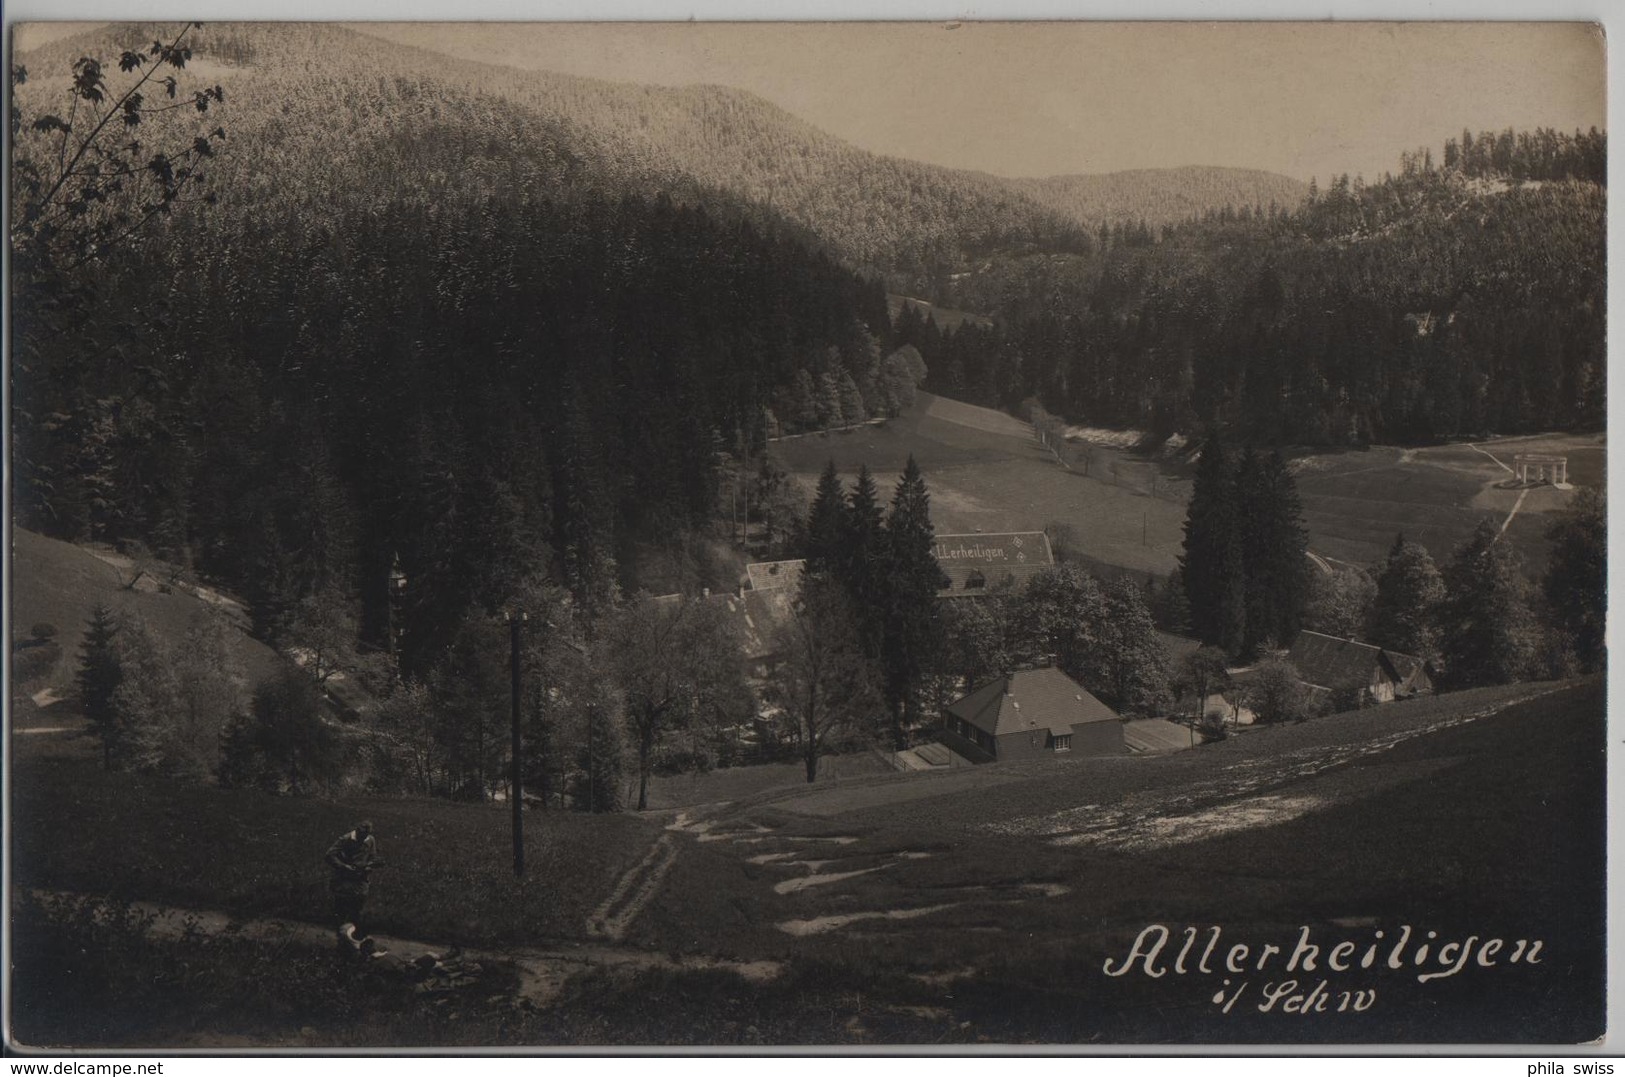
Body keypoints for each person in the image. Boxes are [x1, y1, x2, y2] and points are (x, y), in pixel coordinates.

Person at [326, 820, 386, 958]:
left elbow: (372, 857)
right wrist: (343, 866)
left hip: (360, 880)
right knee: (341, 909)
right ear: (357, 830)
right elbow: (329, 855)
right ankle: (341, 942)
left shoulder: (370, 840)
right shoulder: (346, 839)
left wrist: (369, 867)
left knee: (357, 909)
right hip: (344, 880)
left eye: (366, 834)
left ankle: (354, 941)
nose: (363, 837)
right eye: (361, 834)